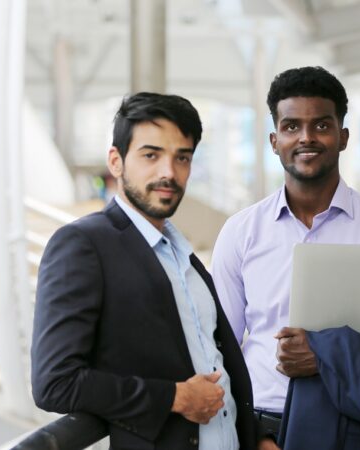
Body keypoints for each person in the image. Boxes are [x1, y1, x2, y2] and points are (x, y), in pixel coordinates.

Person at [211, 66, 360, 449]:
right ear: (274, 140)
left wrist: (327, 356)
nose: (306, 138)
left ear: (343, 137)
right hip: (264, 431)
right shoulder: (240, 232)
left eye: (321, 126)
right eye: (292, 126)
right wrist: (251, 435)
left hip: (352, 429)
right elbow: (218, 348)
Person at [31, 92, 259, 449]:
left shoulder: (184, 254)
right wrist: (175, 397)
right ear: (116, 161)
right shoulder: (82, 245)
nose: (168, 172)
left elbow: (215, 358)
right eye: (151, 155)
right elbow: (55, 383)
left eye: (181, 158)